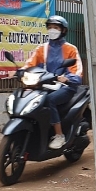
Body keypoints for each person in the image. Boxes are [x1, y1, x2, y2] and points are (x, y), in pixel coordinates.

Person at [16, 15, 83, 149]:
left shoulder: (71, 49)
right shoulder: (42, 48)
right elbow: (31, 62)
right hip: (44, 84)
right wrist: (21, 71)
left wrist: (68, 78)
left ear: (63, 30)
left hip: (65, 86)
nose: (52, 30)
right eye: (50, 27)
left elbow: (77, 71)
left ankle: (59, 135)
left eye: (56, 27)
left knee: (49, 100)